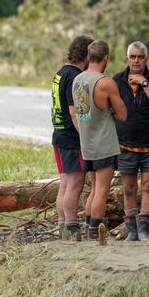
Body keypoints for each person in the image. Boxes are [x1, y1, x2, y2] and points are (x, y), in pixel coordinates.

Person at [113, 41, 149, 242]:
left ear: (147, 59)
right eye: (133, 57)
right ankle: (132, 231)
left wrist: (143, 82)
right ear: (127, 58)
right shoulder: (117, 80)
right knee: (128, 188)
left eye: (141, 57)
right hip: (124, 143)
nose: (136, 60)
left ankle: (145, 231)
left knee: (148, 185)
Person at [69, 41, 127, 241]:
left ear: (88, 56)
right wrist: (110, 108)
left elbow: (80, 111)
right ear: (106, 58)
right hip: (104, 143)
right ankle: (95, 233)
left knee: (94, 188)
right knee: (102, 190)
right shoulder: (105, 82)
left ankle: (87, 228)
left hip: (87, 143)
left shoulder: (77, 80)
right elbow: (123, 114)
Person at [51, 35, 92, 239]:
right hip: (72, 138)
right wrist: (86, 136)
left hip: (58, 135)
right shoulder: (76, 78)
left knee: (65, 183)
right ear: (86, 55)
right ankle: (71, 225)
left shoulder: (60, 73)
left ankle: (61, 227)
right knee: (75, 183)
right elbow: (75, 112)